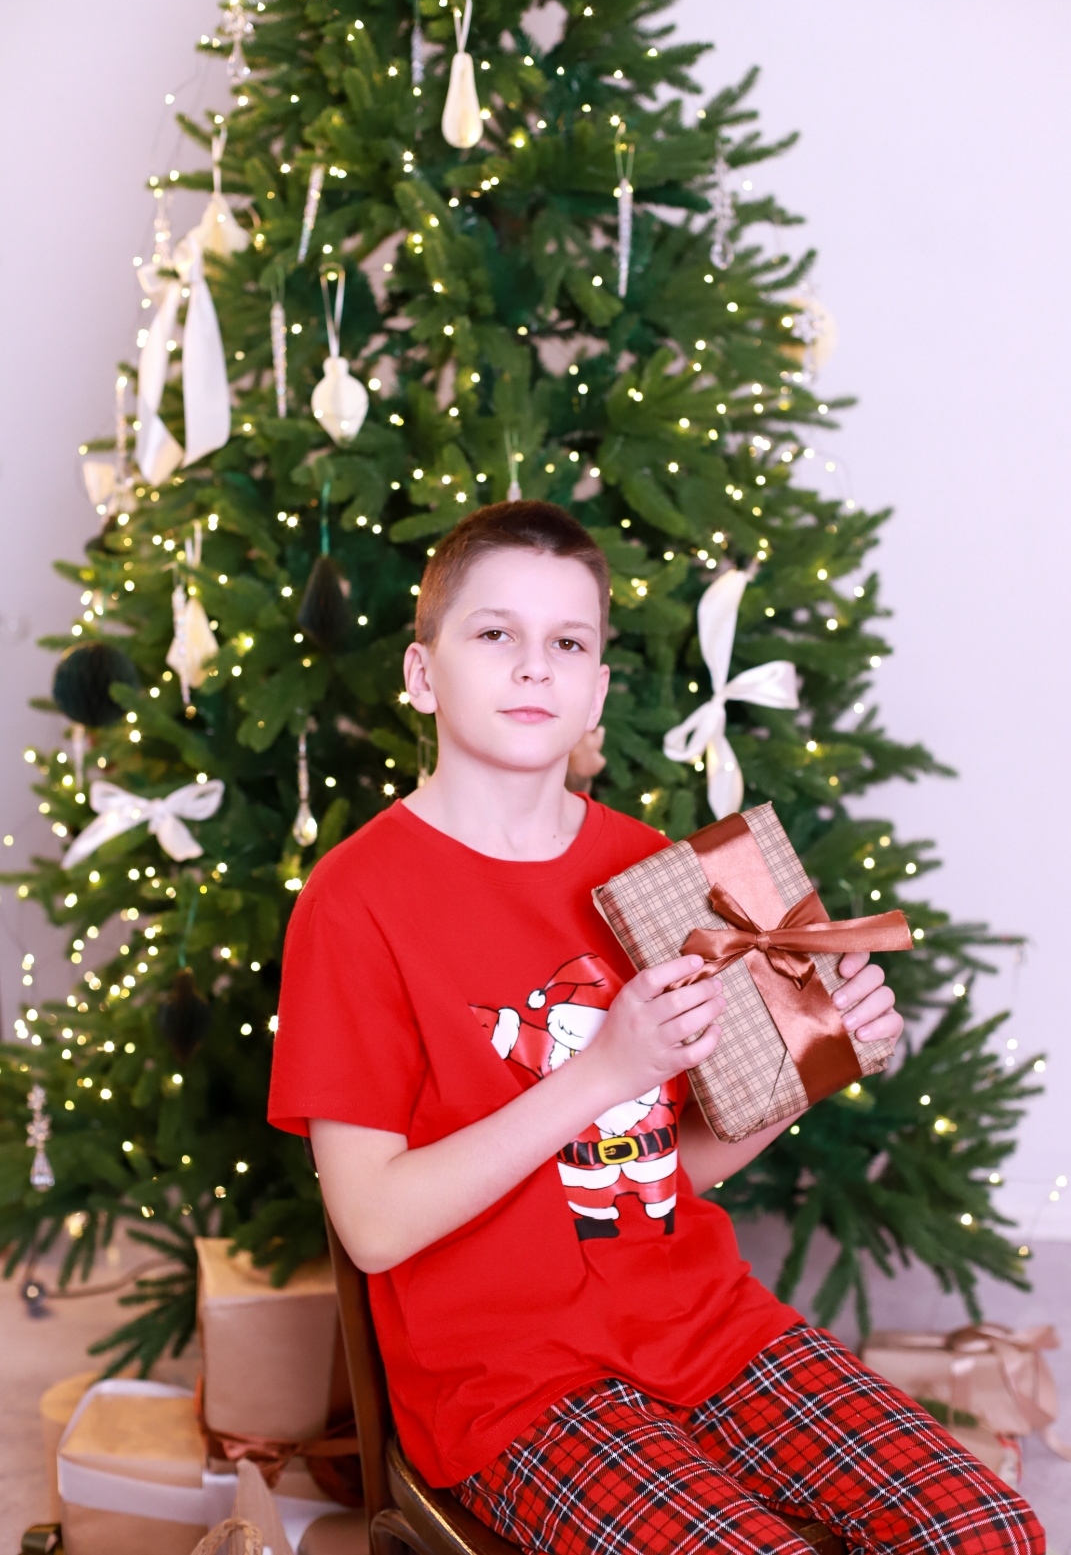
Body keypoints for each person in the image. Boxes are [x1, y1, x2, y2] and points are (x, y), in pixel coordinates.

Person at [268, 503, 1041, 1555]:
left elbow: (673, 1165)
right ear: (421, 673)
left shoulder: (653, 873)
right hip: (510, 1384)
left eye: (567, 643)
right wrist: (600, 1070)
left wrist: (821, 1059)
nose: (533, 666)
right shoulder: (354, 902)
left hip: (702, 1323)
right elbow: (373, 1225)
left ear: (596, 688)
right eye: (494, 633)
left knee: (990, 1526)